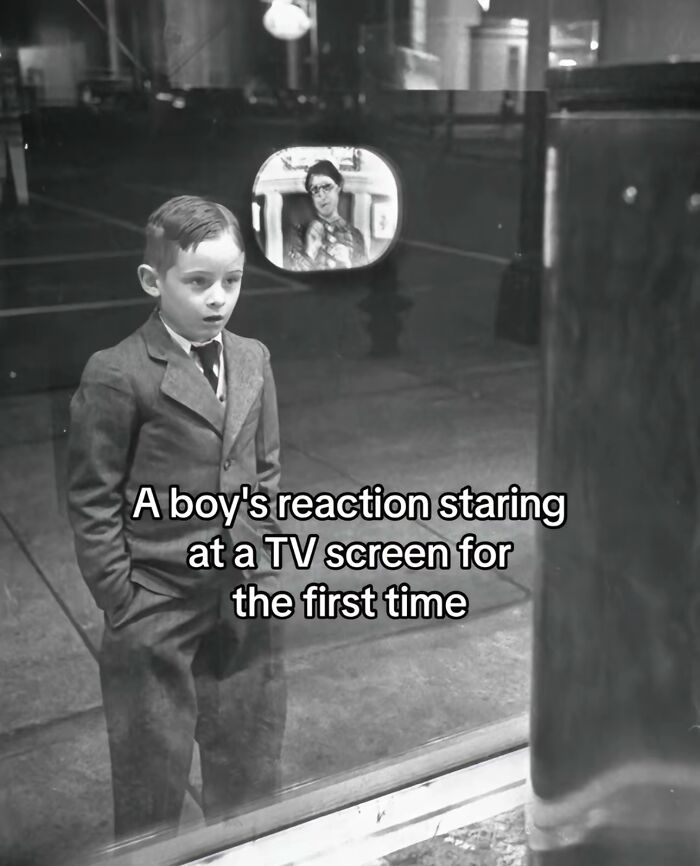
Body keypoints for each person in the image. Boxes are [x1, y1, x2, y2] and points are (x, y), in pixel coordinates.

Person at [66, 196, 286, 840]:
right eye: (197, 282)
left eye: (232, 280)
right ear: (151, 281)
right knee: (150, 774)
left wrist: (265, 551)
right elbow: (93, 496)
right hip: (156, 601)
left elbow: (265, 465)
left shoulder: (253, 359)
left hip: (243, 592)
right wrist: (121, 598)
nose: (218, 298)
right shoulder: (117, 374)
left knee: (250, 763)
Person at [285, 159, 368, 271]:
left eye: (327, 187)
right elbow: (291, 275)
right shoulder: (299, 232)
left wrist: (348, 263)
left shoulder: (356, 236)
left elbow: (365, 277)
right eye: (315, 190)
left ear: (338, 188)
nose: (321, 195)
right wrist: (310, 251)